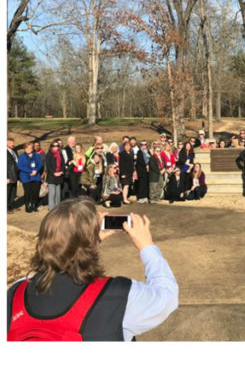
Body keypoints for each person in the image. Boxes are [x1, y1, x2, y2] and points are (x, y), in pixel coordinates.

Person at [6, 198, 178, 341]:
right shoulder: (118, 294)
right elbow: (167, 296)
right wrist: (146, 245)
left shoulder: (15, 293)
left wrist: (86, 242)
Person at [18, 141, 43, 213]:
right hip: (25, 176)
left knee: (35, 191)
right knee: (28, 192)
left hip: (36, 176)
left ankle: (34, 205)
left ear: (32, 148)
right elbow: (20, 166)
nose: (28, 149)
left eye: (30, 148)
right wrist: (30, 171)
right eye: (27, 148)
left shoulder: (37, 155)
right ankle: (27, 206)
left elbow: (40, 164)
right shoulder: (22, 156)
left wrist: (35, 170)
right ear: (24, 148)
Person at [44, 141, 64, 210]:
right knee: (52, 193)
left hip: (59, 176)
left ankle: (57, 207)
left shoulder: (60, 154)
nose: (55, 147)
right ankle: (51, 207)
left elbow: (63, 164)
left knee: (58, 193)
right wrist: (54, 173)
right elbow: (48, 165)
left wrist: (61, 171)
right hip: (52, 176)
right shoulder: (49, 154)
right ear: (51, 146)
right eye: (54, 146)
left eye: (57, 146)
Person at [7, 139, 19, 211]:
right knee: (7, 192)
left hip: (15, 175)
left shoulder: (14, 151)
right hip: (9, 176)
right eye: (10, 143)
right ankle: (6, 208)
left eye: (13, 143)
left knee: (13, 192)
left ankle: (12, 205)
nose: (13, 144)